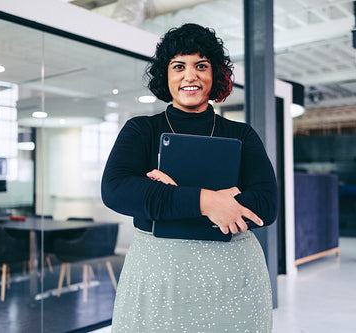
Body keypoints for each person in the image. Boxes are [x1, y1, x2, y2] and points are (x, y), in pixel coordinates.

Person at [101, 23, 277, 332]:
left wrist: (163, 197)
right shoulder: (141, 130)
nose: (190, 75)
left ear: (215, 75)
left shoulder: (241, 134)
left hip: (232, 274)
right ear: (166, 76)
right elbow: (116, 190)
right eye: (179, 66)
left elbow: (266, 203)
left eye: (201, 66)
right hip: (159, 275)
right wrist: (207, 201)